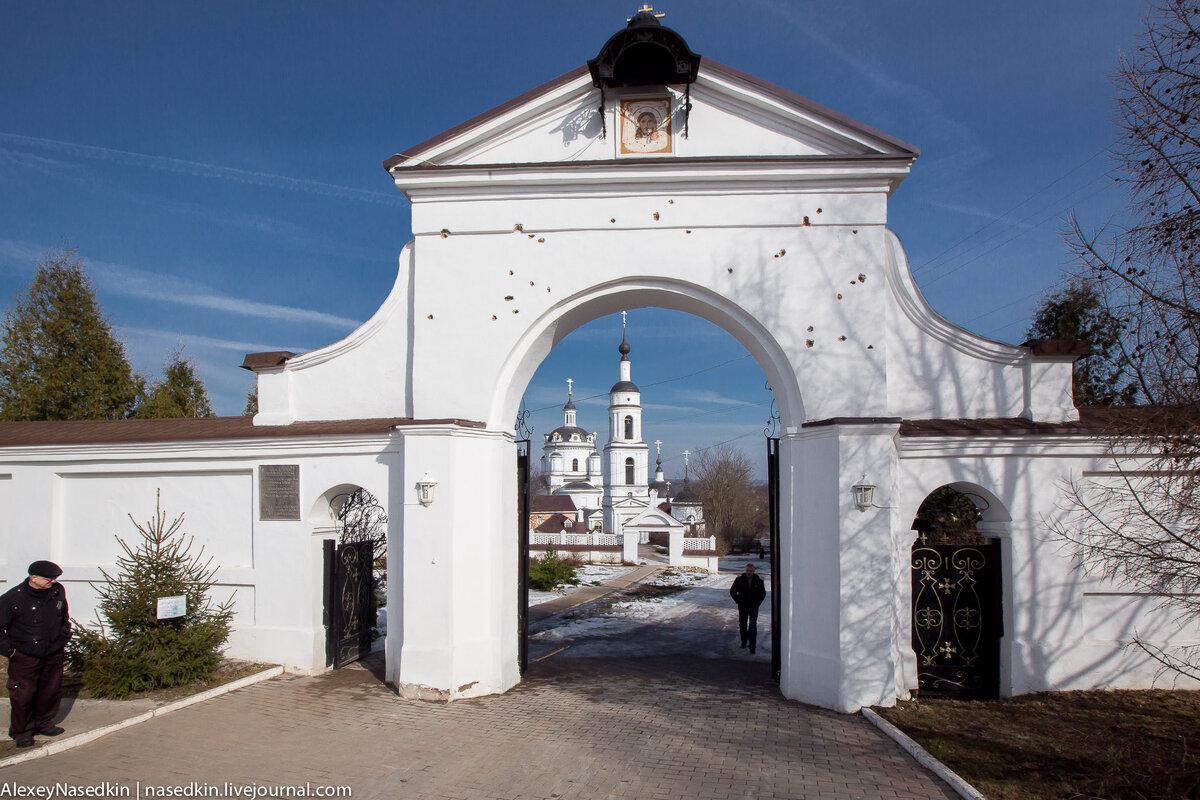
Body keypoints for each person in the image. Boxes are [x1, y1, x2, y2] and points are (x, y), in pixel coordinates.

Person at [0, 561, 71, 747]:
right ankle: (22, 731)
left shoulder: (57, 591)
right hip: (25, 656)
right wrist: (11, 652)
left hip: (53, 652)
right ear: (33, 578)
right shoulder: (13, 599)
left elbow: (64, 615)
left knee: (50, 691)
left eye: (55, 578)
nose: (53, 581)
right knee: (23, 694)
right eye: (49, 579)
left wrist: (64, 636)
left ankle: (43, 723)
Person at [729, 563, 766, 654]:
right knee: (743, 625)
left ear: (754, 571)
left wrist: (757, 603)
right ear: (745, 571)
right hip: (743, 606)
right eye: (747, 570)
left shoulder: (758, 581)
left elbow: (763, 594)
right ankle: (744, 641)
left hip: (753, 607)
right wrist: (738, 600)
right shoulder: (739, 580)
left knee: (753, 626)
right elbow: (732, 591)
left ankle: (752, 646)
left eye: (750, 571)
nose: (749, 572)